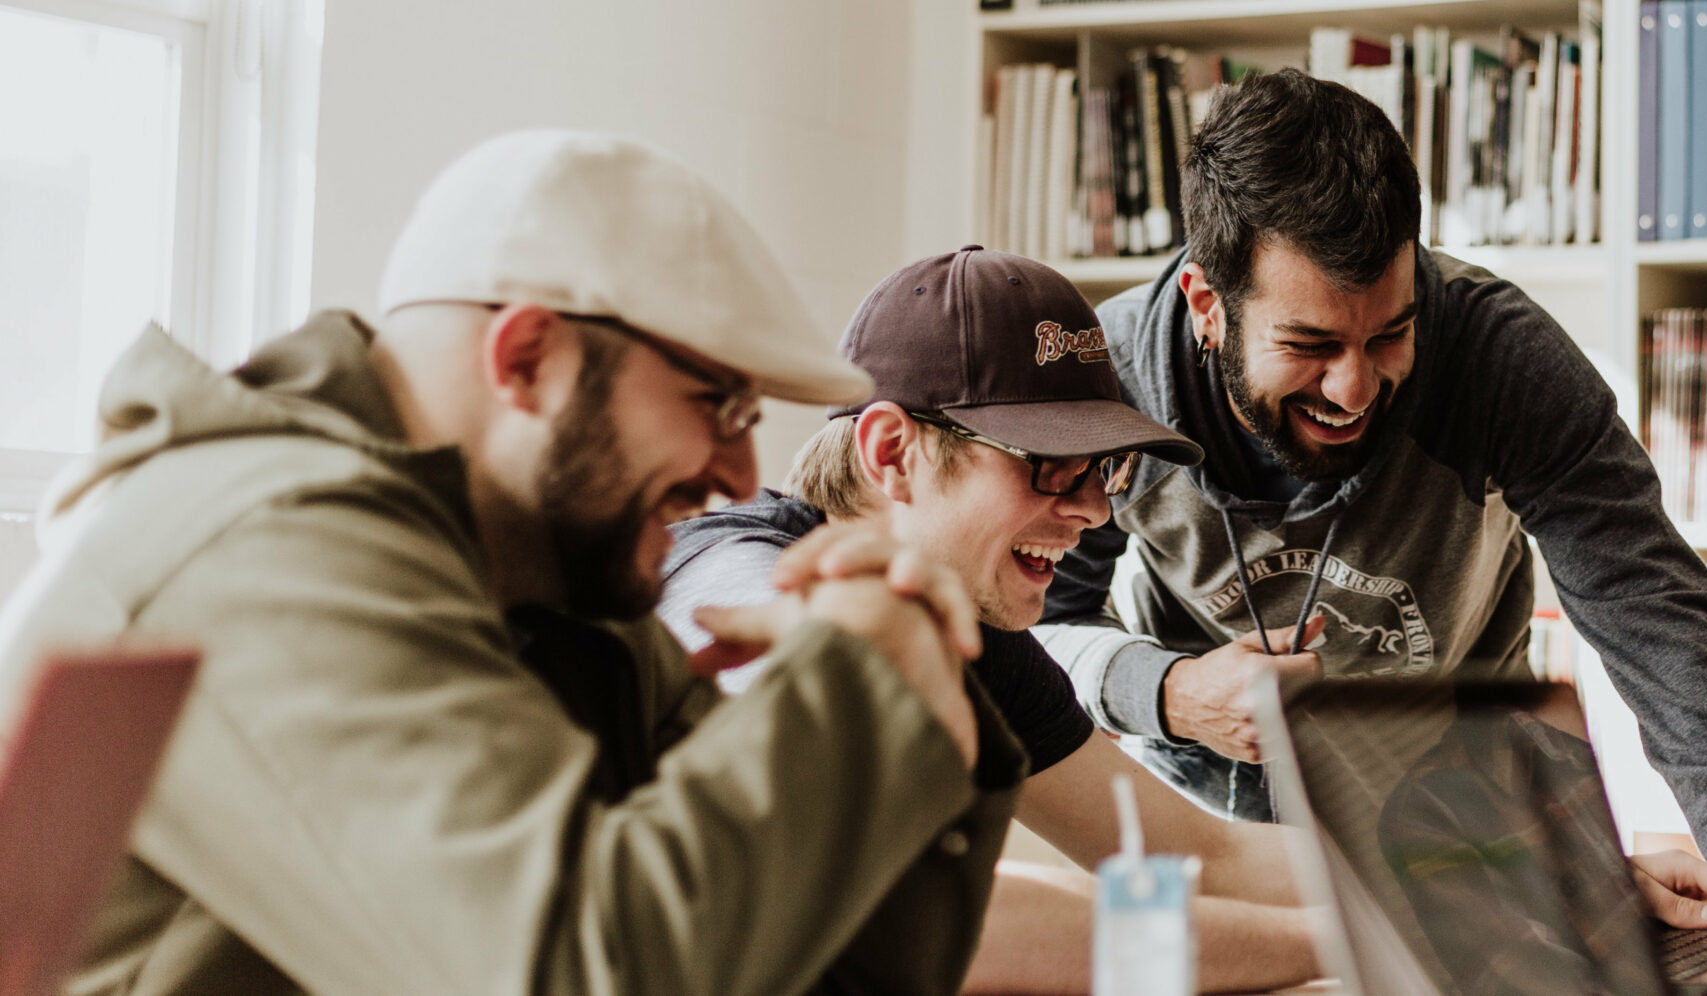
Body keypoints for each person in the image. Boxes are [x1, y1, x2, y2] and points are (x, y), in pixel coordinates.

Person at [0, 130, 1021, 995]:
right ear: (527, 357)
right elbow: (582, 969)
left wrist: (922, 686)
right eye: (716, 403)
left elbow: (825, 967)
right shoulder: (258, 549)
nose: (741, 470)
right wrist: (857, 680)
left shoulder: (552, 583)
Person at [659, 247, 1707, 993]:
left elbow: (1189, 855)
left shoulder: (976, 633)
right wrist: (1406, 940)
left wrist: (1553, 881)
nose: (1093, 511)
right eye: (1050, 468)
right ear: (892, 452)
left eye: (1102, 473)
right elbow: (940, 916)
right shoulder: (738, 577)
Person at [1032, 68, 1707, 893]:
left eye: (1390, 334)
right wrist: (1168, 691)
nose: (1353, 389)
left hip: (1462, 822)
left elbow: (1656, 620)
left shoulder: (1502, 359)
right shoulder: (1111, 387)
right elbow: (1034, 627)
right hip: (1206, 833)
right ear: (1207, 303)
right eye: (1311, 345)